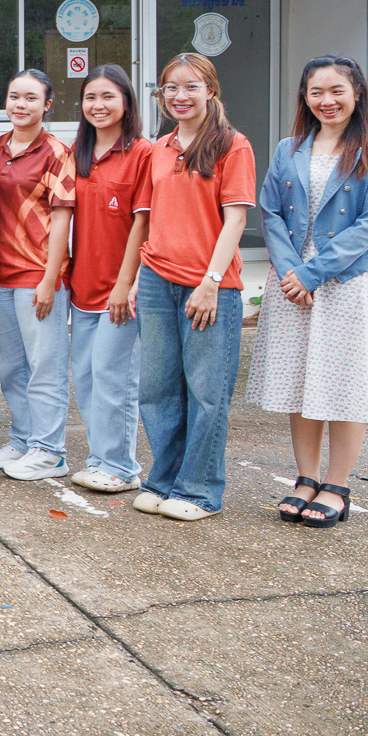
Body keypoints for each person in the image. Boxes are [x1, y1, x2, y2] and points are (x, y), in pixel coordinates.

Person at [249, 56, 368, 528]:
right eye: (316, 92)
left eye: (337, 91)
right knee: (301, 381)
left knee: (345, 383)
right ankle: (306, 479)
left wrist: (313, 274)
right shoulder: (288, 148)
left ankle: (337, 485)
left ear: (357, 94)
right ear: (305, 97)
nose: (326, 100)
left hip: (344, 282)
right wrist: (291, 272)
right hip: (292, 282)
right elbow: (270, 212)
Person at [133, 53, 256, 522]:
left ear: (210, 90)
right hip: (157, 280)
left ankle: (199, 490)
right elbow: (151, 219)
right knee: (157, 389)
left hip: (208, 286)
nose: (179, 96)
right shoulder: (159, 148)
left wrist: (211, 282)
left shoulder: (232, 145)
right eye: (171, 88)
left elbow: (236, 220)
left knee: (207, 393)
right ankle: (163, 481)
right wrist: (137, 278)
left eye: (190, 87)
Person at [0, 70, 77, 481]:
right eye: (14, 96)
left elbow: (62, 219)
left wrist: (50, 279)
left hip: (38, 274)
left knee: (44, 368)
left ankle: (51, 451)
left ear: (47, 104)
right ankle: (23, 439)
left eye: (31, 98)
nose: (21, 105)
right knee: (11, 368)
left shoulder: (57, 152)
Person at [65, 65, 153, 495]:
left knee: (114, 378)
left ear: (126, 102)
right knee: (86, 377)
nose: (98, 105)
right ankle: (100, 459)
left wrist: (125, 283)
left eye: (108, 97)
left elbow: (143, 223)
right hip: (82, 285)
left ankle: (121, 466)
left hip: (121, 292)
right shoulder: (77, 152)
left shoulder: (142, 153)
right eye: (90, 97)